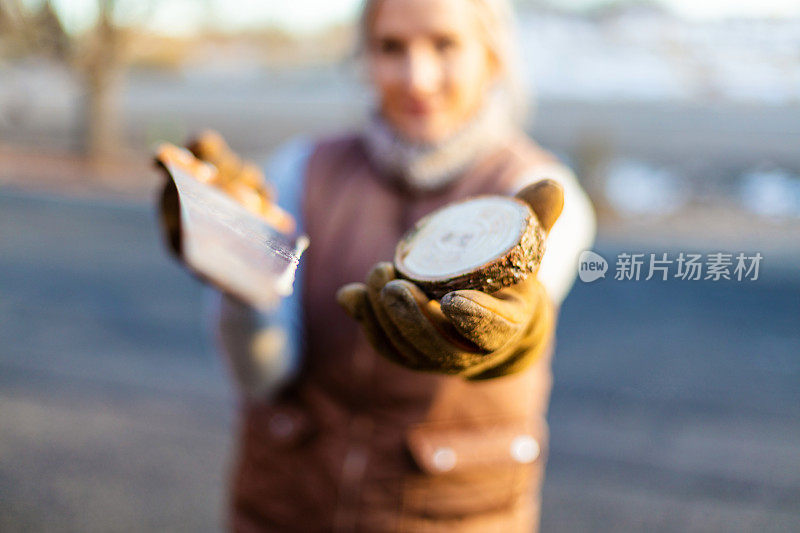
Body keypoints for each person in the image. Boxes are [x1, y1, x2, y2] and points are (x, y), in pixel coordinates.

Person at [207, 0, 596, 530]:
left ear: (493, 54)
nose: (417, 77)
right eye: (391, 47)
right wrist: (241, 282)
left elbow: (527, 313)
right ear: (364, 57)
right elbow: (263, 373)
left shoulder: (536, 190)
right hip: (287, 507)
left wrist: (508, 335)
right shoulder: (302, 170)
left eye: (444, 44)